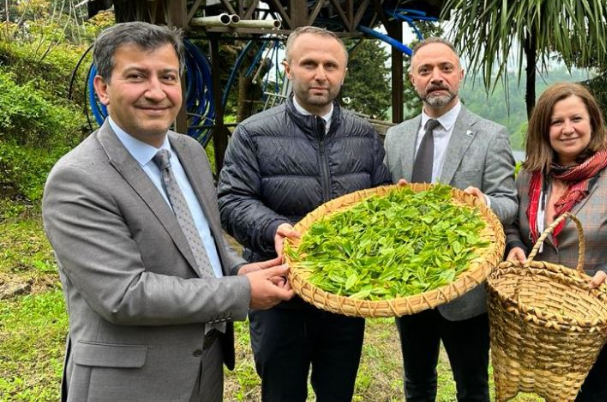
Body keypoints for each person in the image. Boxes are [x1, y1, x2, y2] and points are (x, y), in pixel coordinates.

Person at [42, 22, 295, 402]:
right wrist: (240, 291)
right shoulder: (79, 179)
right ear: (102, 88)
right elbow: (124, 294)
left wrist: (237, 266)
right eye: (137, 76)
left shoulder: (188, 151)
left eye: (167, 76)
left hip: (202, 366)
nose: (156, 92)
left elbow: (200, 241)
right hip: (131, 383)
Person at [217, 26, 391, 401]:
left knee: (337, 390)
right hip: (280, 290)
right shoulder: (253, 134)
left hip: (345, 294)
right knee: (282, 391)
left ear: (343, 72)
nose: (320, 74)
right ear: (288, 68)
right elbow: (232, 200)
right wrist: (272, 228)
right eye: (309, 63)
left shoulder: (365, 136)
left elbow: (380, 205)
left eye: (331, 65)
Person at [503, 82, 607, 401]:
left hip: (602, 324)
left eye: (576, 119)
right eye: (556, 122)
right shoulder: (529, 177)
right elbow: (513, 229)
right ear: (543, 129)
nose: (567, 129)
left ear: (593, 122)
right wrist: (515, 247)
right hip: (548, 322)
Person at [383, 37, 517, 402]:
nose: (436, 77)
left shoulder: (491, 136)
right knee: (417, 382)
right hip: (410, 285)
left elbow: (509, 203)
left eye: (445, 68)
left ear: (460, 75)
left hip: (466, 290)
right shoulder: (395, 137)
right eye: (425, 70)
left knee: (472, 386)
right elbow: (381, 204)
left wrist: (483, 202)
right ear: (413, 79)